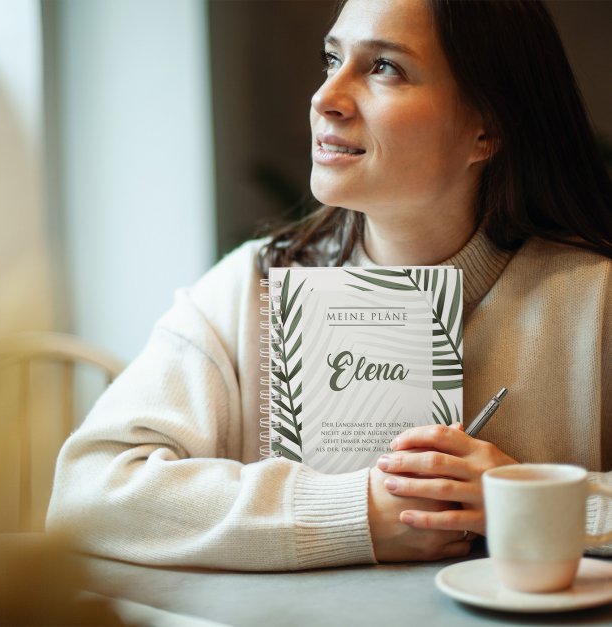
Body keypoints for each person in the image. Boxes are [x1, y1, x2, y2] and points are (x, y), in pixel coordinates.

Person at [47, 0, 612, 570]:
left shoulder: (596, 299)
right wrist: (352, 511)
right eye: (331, 58)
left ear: (487, 130)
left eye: (385, 67)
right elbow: (86, 493)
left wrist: (526, 498)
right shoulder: (252, 287)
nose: (324, 98)